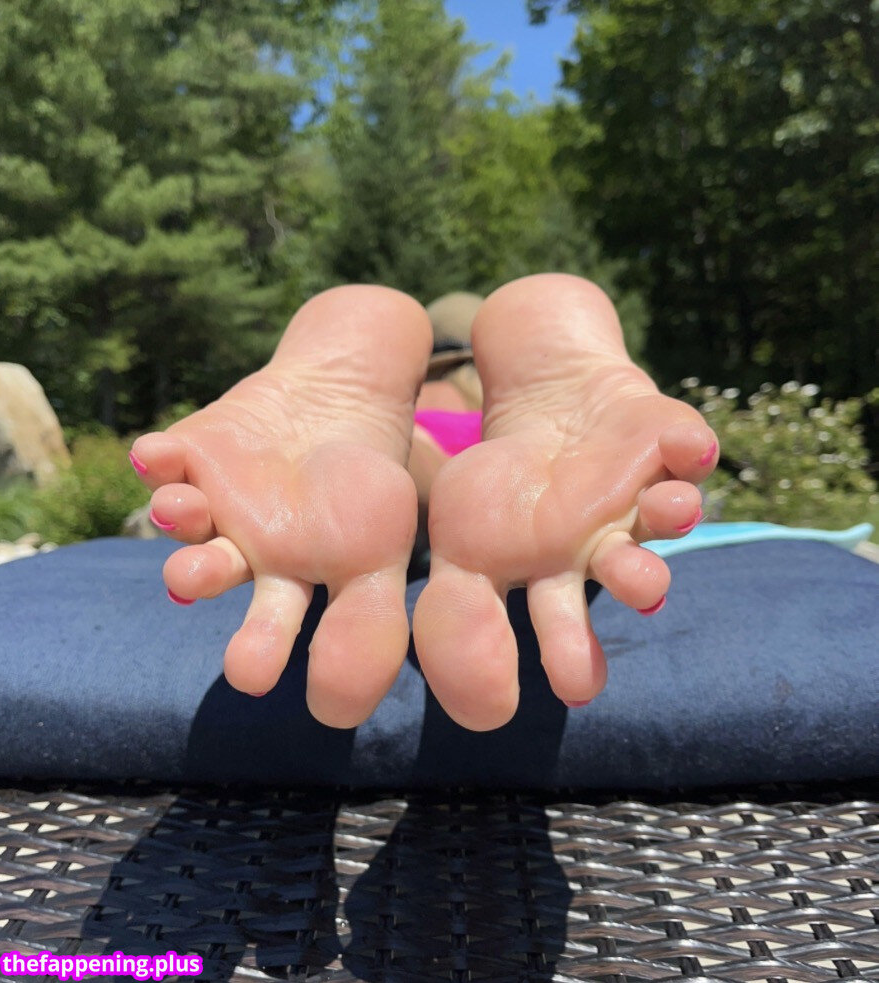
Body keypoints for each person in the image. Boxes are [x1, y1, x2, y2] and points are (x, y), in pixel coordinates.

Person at [128, 274, 718, 732]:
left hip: (424, 442)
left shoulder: (421, 396)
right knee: (527, 479)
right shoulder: (490, 405)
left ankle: (377, 438)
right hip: (523, 460)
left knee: (397, 464)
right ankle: (533, 367)